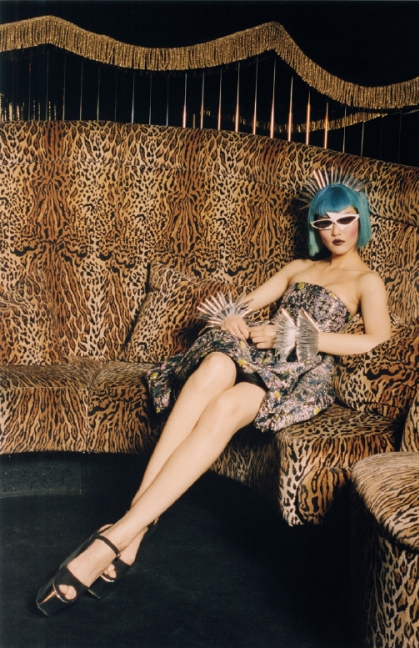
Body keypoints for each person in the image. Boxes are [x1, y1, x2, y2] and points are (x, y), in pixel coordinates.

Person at [36, 172, 391, 616]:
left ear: (361, 220)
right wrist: (234, 319)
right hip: (259, 353)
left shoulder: (367, 281)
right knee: (216, 365)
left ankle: (114, 538)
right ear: (314, 228)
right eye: (325, 222)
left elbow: (375, 340)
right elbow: (239, 307)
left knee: (225, 405)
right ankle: (131, 533)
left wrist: (296, 336)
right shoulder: (298, 268)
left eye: (345, 219)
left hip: (300, 369)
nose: (336, 230)